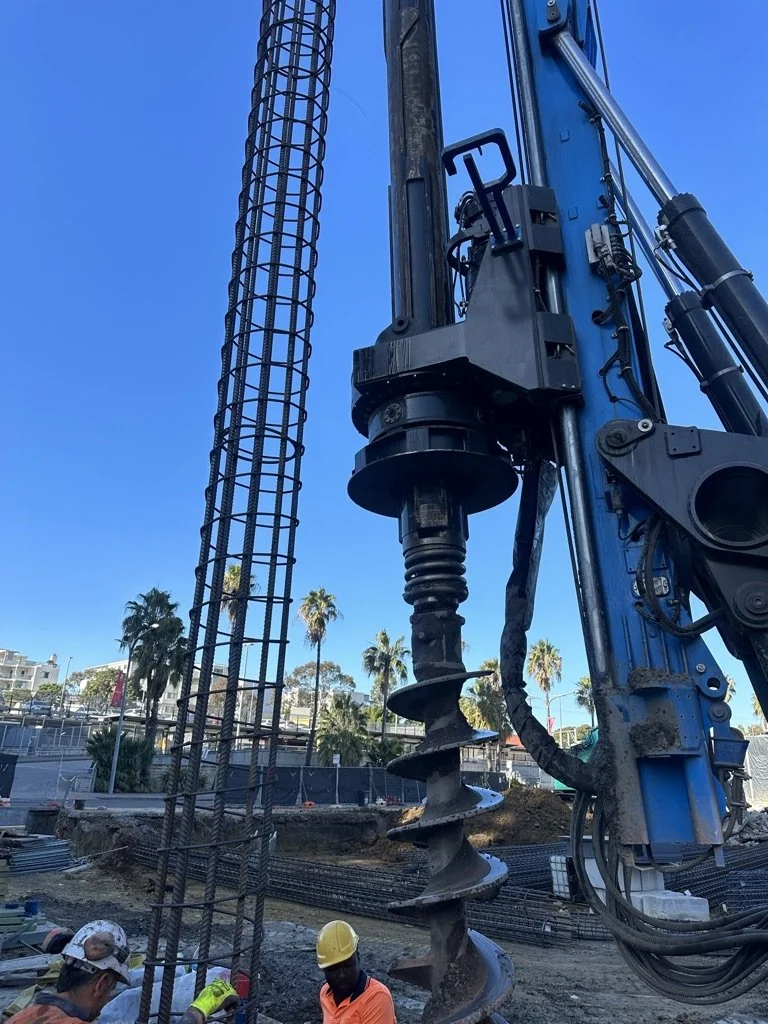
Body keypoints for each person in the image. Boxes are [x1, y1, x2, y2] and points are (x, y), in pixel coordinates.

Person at [6, 920, 238, 1024]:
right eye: (110, 988)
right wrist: (196, 1013)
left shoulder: (21, 1016)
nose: (106, 999)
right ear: (101, 984)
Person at [316, 920, 396, 1024]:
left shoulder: (376, 998)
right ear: (324, 969)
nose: (342, 974)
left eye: (348, 965)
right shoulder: (325, 994)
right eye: (334, 968)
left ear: (358, 957)